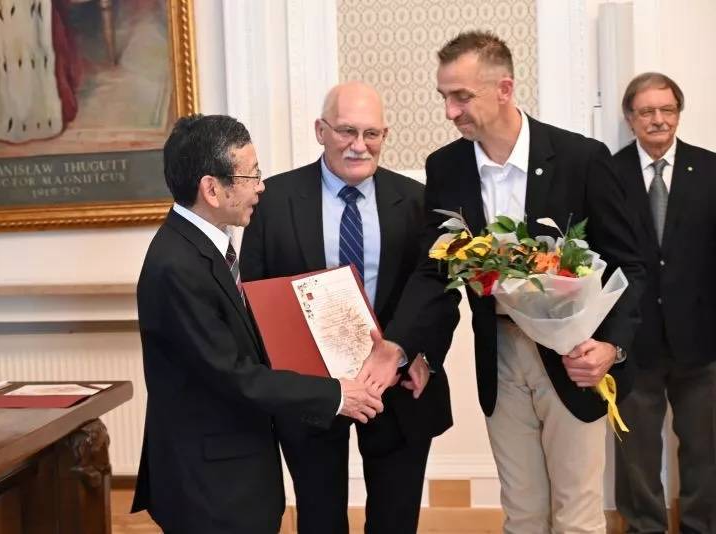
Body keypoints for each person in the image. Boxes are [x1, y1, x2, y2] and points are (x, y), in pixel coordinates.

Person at [362, 31, 645, 533]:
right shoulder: (446, 167)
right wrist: (400, 344)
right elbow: (435, 269)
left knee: (577, 515)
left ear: (505, 89)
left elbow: (630, 265)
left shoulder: (580, 158)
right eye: (444, 97)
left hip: (574, 355)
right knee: (522, 511)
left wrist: (611, 348)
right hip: (499, 352)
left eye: (461, 97)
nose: (449, 112)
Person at [131, 114, 385, 533]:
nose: (261, 187)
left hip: (231, 470)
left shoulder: (204, 248)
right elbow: (233, 375)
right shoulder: (176, 266)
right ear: (212, 189)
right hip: (210, 484)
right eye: (252, 175)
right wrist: (335, 394)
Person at [240, 82, 454, 534]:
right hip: (310, 390)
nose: (360, 145)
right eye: (346, 131)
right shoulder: (273, 200)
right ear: (321, 131)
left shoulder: (418, 201)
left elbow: (440, 291)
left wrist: (420, 354)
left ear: (385, 135)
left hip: (397, 385)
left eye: (371, 134)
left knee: (395, 521)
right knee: (319, 518)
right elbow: (256, 297)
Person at [612, 72, 716, 534]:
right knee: (635, 455)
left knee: (705, 452)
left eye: (667, 109)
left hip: (702, 339)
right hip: (633, 339)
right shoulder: (608, 174)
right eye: (647, 111)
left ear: (678, 113)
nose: (658, 119)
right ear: (630, 118)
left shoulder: (710, 169)